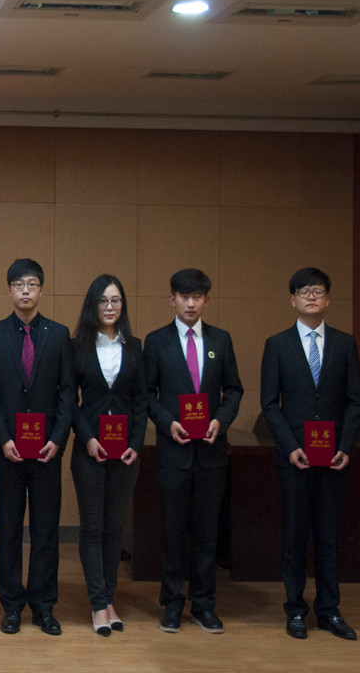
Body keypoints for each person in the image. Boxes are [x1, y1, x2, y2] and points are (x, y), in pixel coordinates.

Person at [260, 267, 360, 641]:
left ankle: (329, 610)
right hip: (295, 459)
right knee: (294, 537)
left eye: (318, 291)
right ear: (293, 300)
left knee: (328, 537)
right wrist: (291, 447)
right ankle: (295, 610)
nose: (312, 297)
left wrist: (345, 447)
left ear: (328, 299)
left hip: (333, 460)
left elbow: (355, 401)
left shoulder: (345, 344)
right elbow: (269, 403)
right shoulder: (277, 344)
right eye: (304, 292)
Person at [144, 268, 242, 635]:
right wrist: (168, 422)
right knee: (172, 530)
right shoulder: (156, 341)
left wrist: (221, 420)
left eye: (197, 297)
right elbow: (146, 394)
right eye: (184, 296)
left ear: (206, 300)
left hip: (211, 452)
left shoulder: (221, 339)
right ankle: (172, 603)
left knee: (206, 531)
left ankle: (203, 604)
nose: (190, 303)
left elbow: (234, 390)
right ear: (172, 299)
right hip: (174, 450)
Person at [0, 258, 74, 636]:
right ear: (9, 290)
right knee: (8, 529)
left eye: (32, 284)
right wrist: (3, 438)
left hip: (47, 449)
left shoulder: (59, 334)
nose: (25, 291)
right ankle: (12, 605)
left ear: (41, 290)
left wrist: (58, 439)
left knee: (46, 529)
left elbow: (67, 391)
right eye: (18, 284)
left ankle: (44, 606)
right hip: (8, 450)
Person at [69, 275, 148, 637]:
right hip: (89, 450)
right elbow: (70, 400)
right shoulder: (77, 347)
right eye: (103, 300)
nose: (110, 307)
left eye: (116, 300)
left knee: (115, 527)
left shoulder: (135, 346)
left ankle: (110, 599)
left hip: (125, 452)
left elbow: (141, 400)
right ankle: (98, 603)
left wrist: (136, 442)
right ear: (93, 305)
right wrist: (87, 438)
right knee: (92, 526)